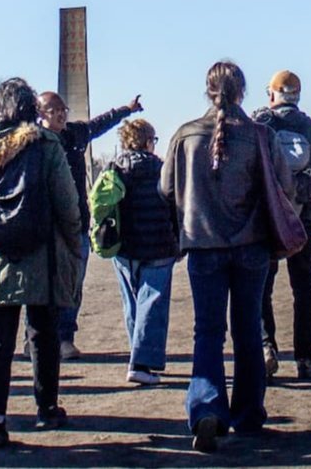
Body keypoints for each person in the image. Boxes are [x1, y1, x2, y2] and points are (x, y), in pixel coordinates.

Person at [159, 61, 292, 453]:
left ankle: (206, 410)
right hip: (252, 248)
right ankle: (248, 414)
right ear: (242, 92)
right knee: (248, 331)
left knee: (207, 332)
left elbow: (165, 189)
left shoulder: (185, 135)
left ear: (208, 90)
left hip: (202, 247)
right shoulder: (262, 136)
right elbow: (284, 187)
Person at [0, 78, 82, 449]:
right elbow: (67, 203)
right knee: (43, 335)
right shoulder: (47, 144)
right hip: (44, 254)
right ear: (31, 110)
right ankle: (47, 408)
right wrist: (73, 243)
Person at [37, 90, 142, 359]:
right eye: (54, 111)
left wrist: (127, 109)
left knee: (74, 285)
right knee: (42, 287)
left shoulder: (75, 134)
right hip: (45, 228)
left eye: (63, 110)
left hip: (77, 226)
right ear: (40, 114)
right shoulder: (33, 142)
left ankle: (65, 338)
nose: (60, 115)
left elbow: (101, 123)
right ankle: (35, 339)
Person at [253, 70, 311, 380]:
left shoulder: (259, 125)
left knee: (261, 286)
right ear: (298, 96)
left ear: (272, 95)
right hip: (304, 217)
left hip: (267, 217)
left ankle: (266, 347)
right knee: (304, 286)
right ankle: (306, 358)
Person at [107, 118, 180, 386]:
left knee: (133, 304)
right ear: (148, 141)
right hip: (159, 244)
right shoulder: (161, 168)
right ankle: (140, 363)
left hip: (124, 248)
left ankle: (138, 354)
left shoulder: (115, 168)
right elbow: (175, 205)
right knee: (152, 303)